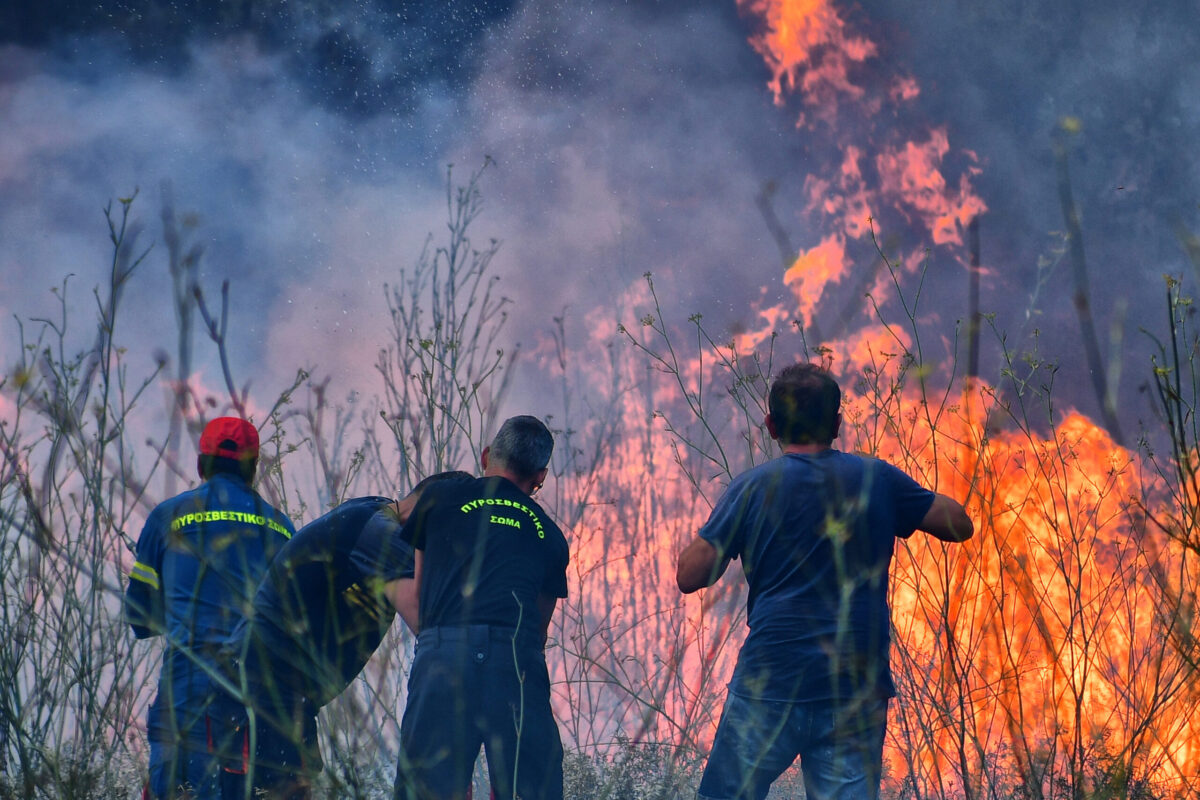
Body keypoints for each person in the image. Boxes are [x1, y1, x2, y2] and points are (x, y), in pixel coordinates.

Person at [676, 363, 974, 800]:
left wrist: (726, 531)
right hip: (853, 685)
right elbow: (959, 525)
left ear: (771, 425)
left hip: (771, 680)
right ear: (837, 424)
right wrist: (899, 502)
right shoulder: (878, 479)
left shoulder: (753, 488)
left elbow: (689, 576)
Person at [219, 470, 473, 799]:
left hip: (284, 689)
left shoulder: (377, 518)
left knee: (290, 787)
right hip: (263, 683)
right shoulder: (380, 533)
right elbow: (429, 625)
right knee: (275, 790)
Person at [392, 415, 570, 800]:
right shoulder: (551, 535)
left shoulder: (437, 501)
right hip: (515, 663)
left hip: (443, 657)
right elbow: (536, 632)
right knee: (532, 790)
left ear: (487, 454)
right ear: (539, 477)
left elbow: (422, 600)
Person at [125, 416, 296, 799]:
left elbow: (139, 618)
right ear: (253, 468)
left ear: (201, 464)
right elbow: (297, 623)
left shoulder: (167, 516)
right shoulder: (284, 529)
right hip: (260, 698)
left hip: (187, 690)